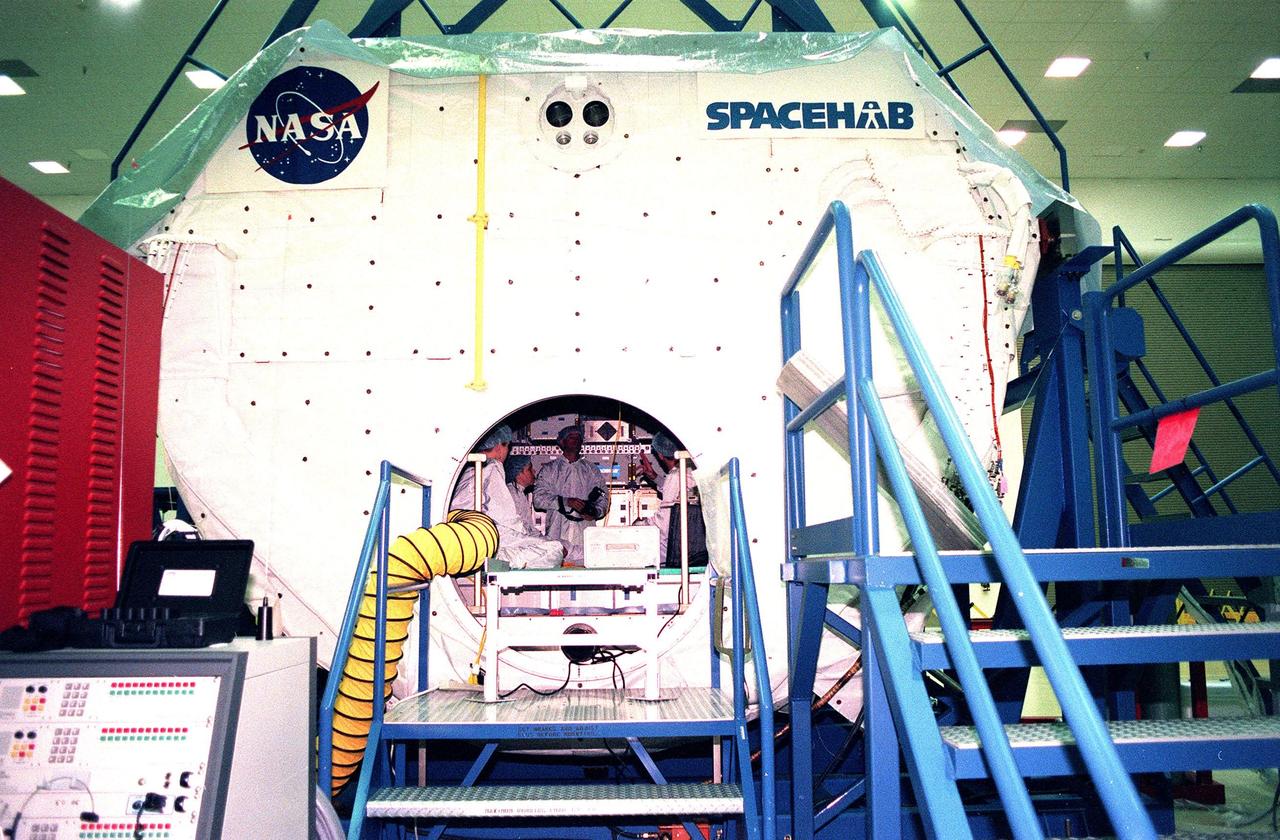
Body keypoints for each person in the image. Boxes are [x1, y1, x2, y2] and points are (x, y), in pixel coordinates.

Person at [451, 425, 564, 569]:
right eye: (507, 447)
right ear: (499, 446)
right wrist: (533, 541)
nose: (507, 452)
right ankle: (501, 565)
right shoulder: (492, 467)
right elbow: (507, 521)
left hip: (465, 538)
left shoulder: (467, 469)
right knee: (554, 549)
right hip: (484, 539)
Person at [533, 425, 608, 566]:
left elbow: (603, 495)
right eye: (571, 437)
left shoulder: (591, 470)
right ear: (561, 442)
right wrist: (566, 502)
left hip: (584, 535)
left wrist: (595, 512)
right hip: (558, 533)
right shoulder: (550, 470)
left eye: (578, 438)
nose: (575, 440)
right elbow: (538, 499)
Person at [636, 431, 702, 566]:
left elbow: (664, 523)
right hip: (693, 551)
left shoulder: (675, 476)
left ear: (660, 455)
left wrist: (638, 525)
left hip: (670, 553)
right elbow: (676, 493)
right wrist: (654, 477)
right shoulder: (689, 472)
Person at [503, 454, 538, 534]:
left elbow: (529, 527)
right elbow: (519, 530)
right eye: (529, 469)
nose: (534, 471)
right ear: (518, 474)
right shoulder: (511, 495)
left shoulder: (519, 492)